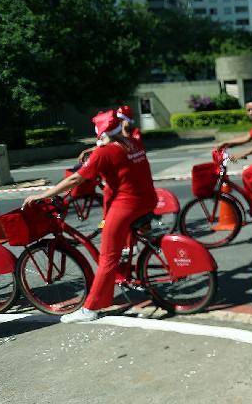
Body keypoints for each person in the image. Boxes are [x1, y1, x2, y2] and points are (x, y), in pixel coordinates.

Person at [24, 109, 158, 323]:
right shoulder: (132, 143)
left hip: (127, 206)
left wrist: (43, 194)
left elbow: (73, 180)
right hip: (147, 200)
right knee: (121, 246)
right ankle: (133, 269)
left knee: (107, 257)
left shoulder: (104, 153)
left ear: (100, 131)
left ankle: (91, 309)